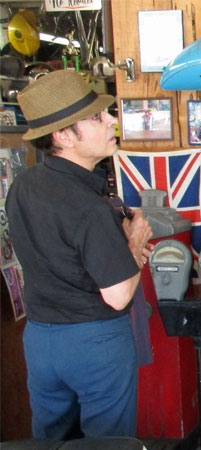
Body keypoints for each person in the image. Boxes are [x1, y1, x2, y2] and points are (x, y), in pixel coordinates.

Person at [6, 70, 154, 439]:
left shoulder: (23, 184)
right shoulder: (90, 207)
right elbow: (118, 295)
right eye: (95, 117)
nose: (111, 120)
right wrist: (133, 245)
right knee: (107, 445)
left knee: (52, 442)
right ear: (61, 135)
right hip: (94, 342)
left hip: (40, 339)